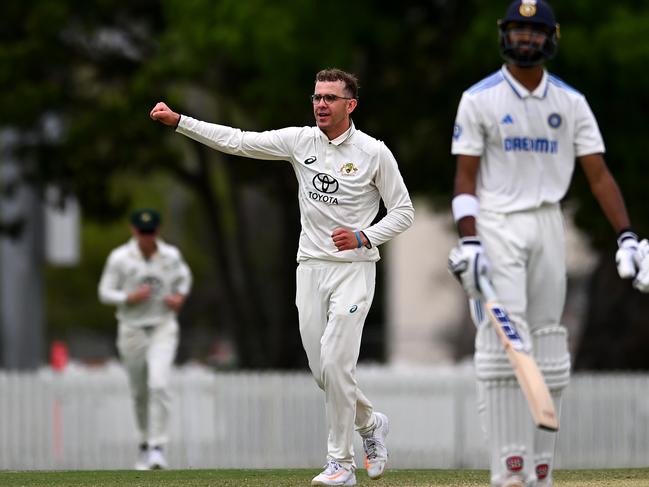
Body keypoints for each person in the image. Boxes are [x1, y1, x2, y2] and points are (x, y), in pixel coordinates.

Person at [150, 68, 414, 486]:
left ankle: (340, 464)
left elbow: (403, 212)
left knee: (336, 362)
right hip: (310, 267)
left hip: (354, 270)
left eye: (330, 98)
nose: (321, 104)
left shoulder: (373, 152)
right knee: (322, 371)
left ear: (351, 105)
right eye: (316, 97)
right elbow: (237, 140)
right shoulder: (300, 141)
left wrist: (365, 236)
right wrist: (181, 122)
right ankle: (370, 425)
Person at [447, 1, 648, 486]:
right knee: (504, 343)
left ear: (550, 38)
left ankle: (540, 467)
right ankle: (508, 466)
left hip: (547, 223)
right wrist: (471, 243)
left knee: (549, 344)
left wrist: (627, 236)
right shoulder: (479, 99)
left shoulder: (570, 103)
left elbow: (598, 175)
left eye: (534, 32)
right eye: (517, 30)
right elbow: (465, 180)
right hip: (497, 222)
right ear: (504, 35)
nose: (525, 39)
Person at [98, 208, 192, 470]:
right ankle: (143, 443)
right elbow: (105, 292)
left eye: (151, 232)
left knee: (159, 385)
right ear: (134, 230)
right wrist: (128, 298)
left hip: (163, 326)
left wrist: (179, 298)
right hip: (131, 329)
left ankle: (157, 447)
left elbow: (185, 279)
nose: (147, 238)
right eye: (143, 232)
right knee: (140, 392)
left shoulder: (170, 256)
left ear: (157, 231)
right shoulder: (120, 258)